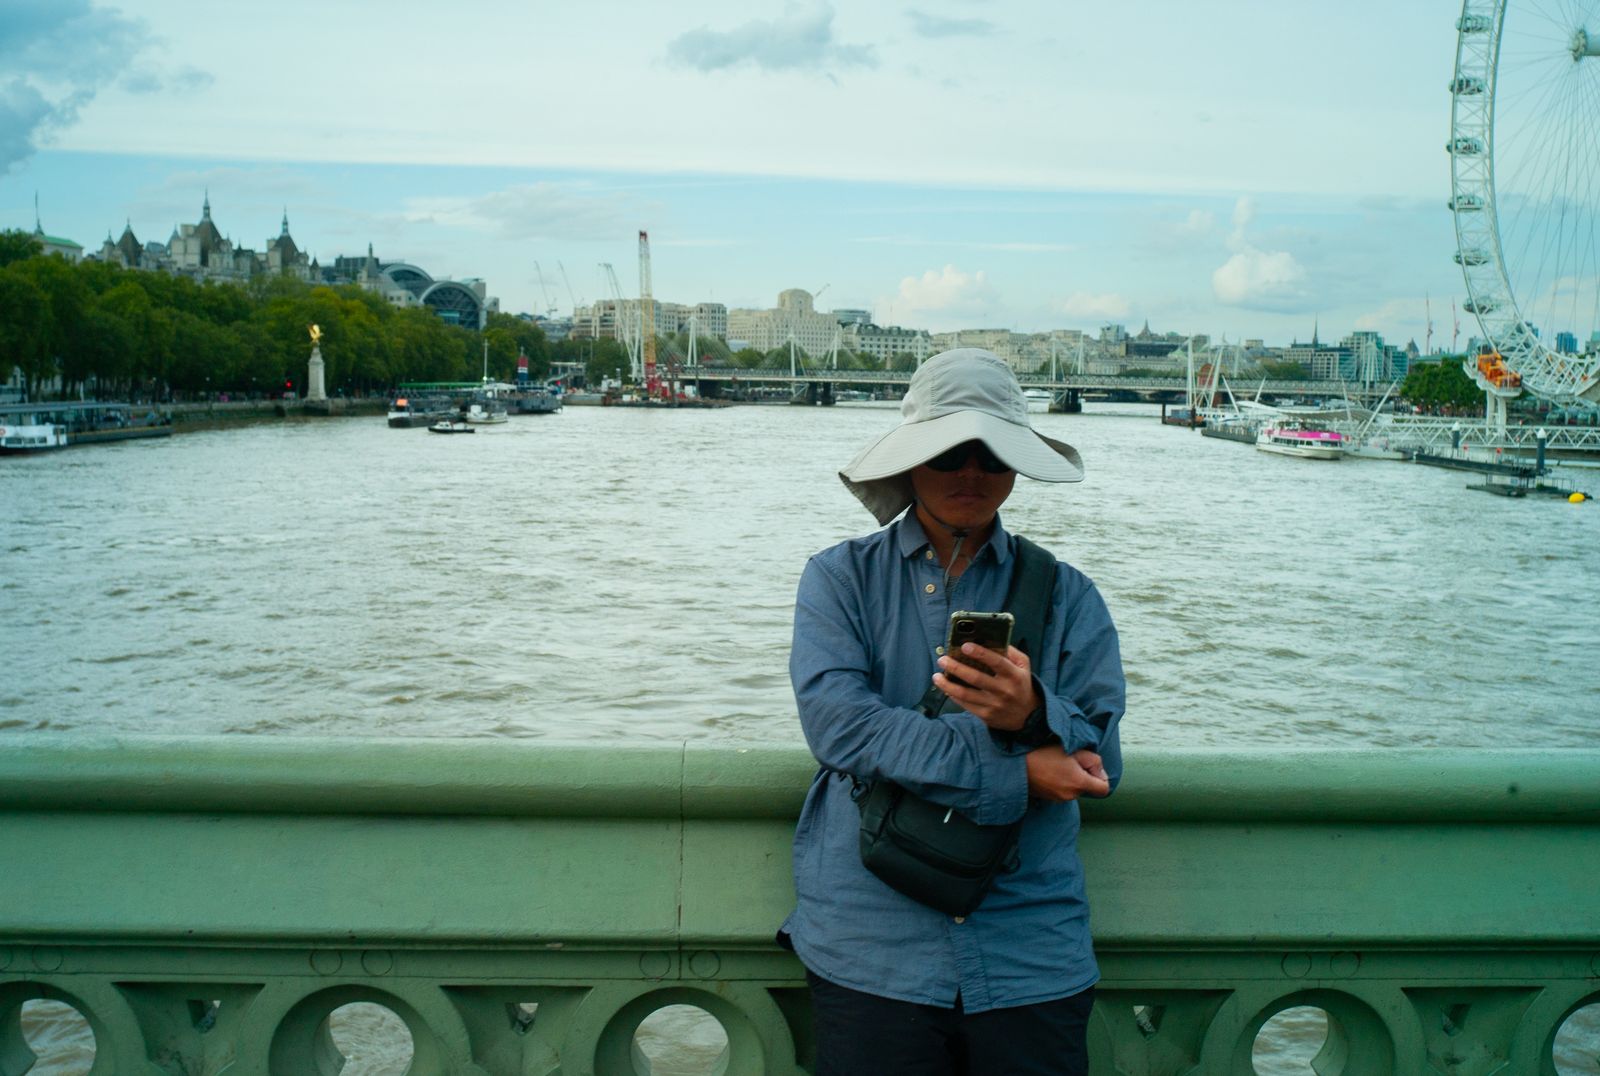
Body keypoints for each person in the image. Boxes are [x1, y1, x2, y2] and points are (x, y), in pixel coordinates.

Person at [783, 348, 1126, 1075]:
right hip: (872, 944)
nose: (970, 475)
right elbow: (840, 727)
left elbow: (1101, 762)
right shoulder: (838, 579)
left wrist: (1030, 710)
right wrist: (1019, 769)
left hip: (1029, 946)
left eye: (992, 456)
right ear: (911, 463)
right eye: (948, 455)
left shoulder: (1071, 595)